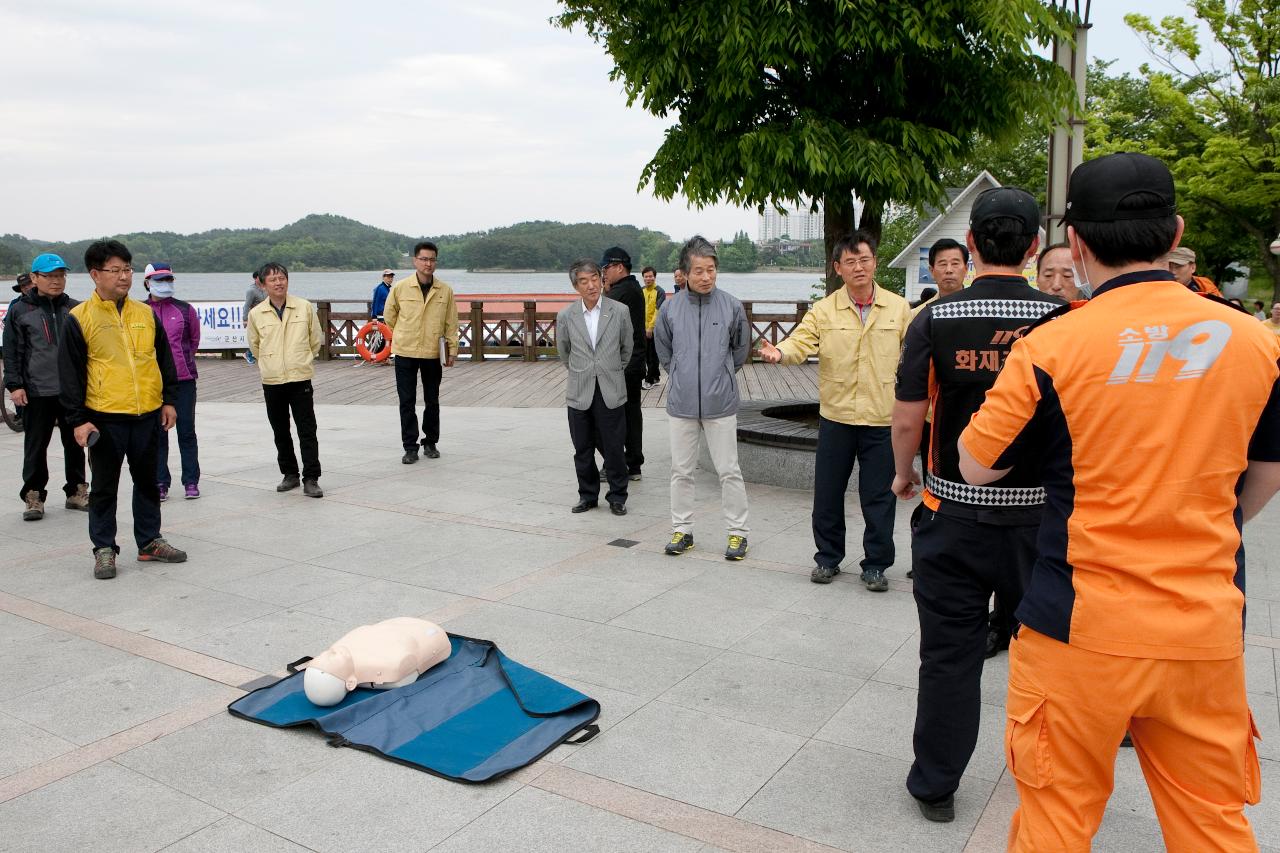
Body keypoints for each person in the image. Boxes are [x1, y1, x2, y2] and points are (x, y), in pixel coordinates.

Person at [959, 152, 1280, 851]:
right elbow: (1264, 475)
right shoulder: (1256, 342)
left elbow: (975, 465)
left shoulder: (1052, 346)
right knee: (1214, 825)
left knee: (1055, 826)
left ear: (1073, 244)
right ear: (1176, 233)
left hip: (1078, 629)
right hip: (1203, 630)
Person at [891, 187, 1064, 824]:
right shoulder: (1065, 318)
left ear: (970, 245)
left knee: (947, 656)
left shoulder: (934, 319)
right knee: (1048, 655)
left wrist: (903, 475)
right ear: (1033, 246)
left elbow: (910, 415)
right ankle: (1052, 781)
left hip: (953, 514)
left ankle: (935, 784)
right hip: (1041, 522)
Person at [759, 231, 912, 591]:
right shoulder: (825, 310)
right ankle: (827, 558)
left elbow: (917, 355)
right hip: (836, 418)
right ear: (837, 267)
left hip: (881, 420)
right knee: (827, 494)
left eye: (865, 259)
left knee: (879, 498)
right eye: (850, 261)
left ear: (875, 262)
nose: (859, 267)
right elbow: (799, 342)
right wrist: (780, 353)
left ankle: (875, 565)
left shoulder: (898, 308)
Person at [59, 240, 186, 580]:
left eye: (127, 269)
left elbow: (164, 360)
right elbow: (69, 375)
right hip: (103, 416)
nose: (123, 276)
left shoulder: (145, 313)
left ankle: (149, 541)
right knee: (104, 487)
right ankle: (104, 549)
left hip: (146, 413)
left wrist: (169, 400)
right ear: (94, 274)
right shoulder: (79, 318)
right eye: (114, 270)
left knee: (148, 481)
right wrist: (78, 420)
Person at [654, 236, 751, 560]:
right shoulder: (669, 308)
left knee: (729, 470)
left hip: (720, 403)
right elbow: (664, 352)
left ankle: (738, 533)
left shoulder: (731, 306)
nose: (706, 277)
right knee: (681, 471)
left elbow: (740, 350)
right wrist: (680, 373)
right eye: (699, 271)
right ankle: (682, 529)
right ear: (685, 273)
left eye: (711, 270)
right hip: (681, 404)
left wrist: (720, 375)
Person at [4, 253, 88, 521]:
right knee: (35, 446)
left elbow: (85, 352)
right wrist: (15, 385)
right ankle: (34, 495)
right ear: (34, 278)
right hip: (36, 390)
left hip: (70, 390)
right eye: (50, 276)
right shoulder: (19, 310)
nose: (56, 281)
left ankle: (76, 491)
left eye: (60, 276)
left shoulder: (75, 308)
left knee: (75, 443)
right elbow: (12, 351)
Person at [556, 259, 633, 515]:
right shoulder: (566, 316)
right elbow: (564, 352)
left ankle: (617, 496)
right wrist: (584, 371)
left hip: (611, 388)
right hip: (580, 390)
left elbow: (626, 349)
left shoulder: (620, 311)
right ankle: (587, 496)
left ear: (602, 279)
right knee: (583, 448)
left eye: (594, 279)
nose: (590, 285)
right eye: (583, 281)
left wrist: (609, 370)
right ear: (575, 286)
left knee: (613, 447)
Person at [246, 262, 324, 498]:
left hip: (300, 377)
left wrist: (301, 358)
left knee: (307, 429)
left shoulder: (304, 307)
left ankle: (311, 477)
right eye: (273, 279)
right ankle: (290, 474)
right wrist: (270, 363)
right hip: (272, 380)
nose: (279, 282)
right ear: (262, 284)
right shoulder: (256, 314)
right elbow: (255, 346)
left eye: (282, 278)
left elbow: (315, 339)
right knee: (280, 430)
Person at [384, 241, 458, 464]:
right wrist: (404, 332)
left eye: (432, 259)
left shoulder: (444, 290)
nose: (428, 263)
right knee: (406, 400)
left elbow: (451, 323)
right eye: (424, 259)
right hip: (405, 350)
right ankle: (410, 446)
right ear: (415, 261)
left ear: (436, 261)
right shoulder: (400, 287)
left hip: (432, 352)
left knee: (432, 400)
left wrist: (452, 350)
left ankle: (431, 442)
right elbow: (390, 315)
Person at [143, 263, 201, 501]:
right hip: (151, 382)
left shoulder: (185, 310)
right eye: (159, 280)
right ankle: (159, 481)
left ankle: (191, 481)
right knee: (158, 434)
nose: (165, 284)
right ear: (147, 282)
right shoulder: (139, 310)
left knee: (186, 432)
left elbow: (193, 341)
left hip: (183, 380)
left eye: (168, 279)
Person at [600, 247, 647, 480]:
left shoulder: (623, 290)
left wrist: (604, 290)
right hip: (633, 362)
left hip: (625, 364)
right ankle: (633, 463)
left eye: (606, 268)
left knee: (617, 415)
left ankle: (620, 464)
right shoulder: (631, 287)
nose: (603, 273)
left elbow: (596, 311)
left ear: (619, 267)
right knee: (630, 413)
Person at [912, 238, 968, 314]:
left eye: (955, 263)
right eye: (943, 264)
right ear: (932, 271)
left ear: (966, 269)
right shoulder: (920, 314)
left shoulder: (979, 307)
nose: (949, 270)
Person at [640, 265, 666, 389]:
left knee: (652, 355)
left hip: (654, 328)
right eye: (646, 276)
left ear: (654, 277)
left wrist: (650, 327)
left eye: (650, 276)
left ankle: (649, 380)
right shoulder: (641, 290)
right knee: (646, 354)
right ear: (643, 278)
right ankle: (655, 377)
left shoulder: (660, 292)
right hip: (642, 328)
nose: (648, 278)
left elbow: (657, 311)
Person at [242, 269, 266, 364]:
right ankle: (248, 353)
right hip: (256, 317)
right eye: (260, 276)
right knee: (261, 336)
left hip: (267, 316)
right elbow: (247, 305)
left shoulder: (267, 287)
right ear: (255, 278)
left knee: (266, 336)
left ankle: (253, 353)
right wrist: (245, 319)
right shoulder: (251, 290)